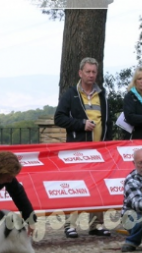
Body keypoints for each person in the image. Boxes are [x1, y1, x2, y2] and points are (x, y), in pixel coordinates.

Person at [54, 57, 113, 239]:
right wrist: (81, 124)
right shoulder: (70, 94)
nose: (91, 75)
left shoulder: (102, 94)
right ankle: (69, 225)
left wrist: (108, 143)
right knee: (76, 185)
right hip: (77, 151)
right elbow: (59, 118)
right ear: (80, 73)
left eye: (94, 72)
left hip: (99, 150)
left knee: (99, 186)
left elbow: (107, 121)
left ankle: (96, 224)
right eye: (87, 72)